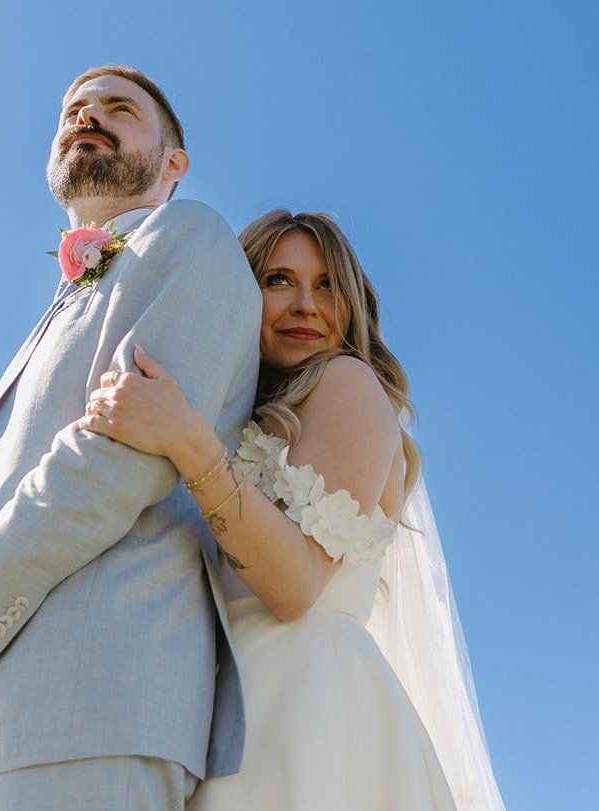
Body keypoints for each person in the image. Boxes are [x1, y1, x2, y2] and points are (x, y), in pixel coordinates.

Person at [0, 66, 262, 811]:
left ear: (175, 162)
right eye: (74, 109)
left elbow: (110, 467)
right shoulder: (56, 310)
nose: (88, 117)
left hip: (87, 717)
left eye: (120, 108)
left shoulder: (190, 238)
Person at [76, 210, 506, 810]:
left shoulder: (348, 383)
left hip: (303, 706)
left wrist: (185, 439)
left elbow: (297, 585)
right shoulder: (241, 415)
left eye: (326, 285)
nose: (306, 304)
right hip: (215, 706)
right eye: (278, 280)